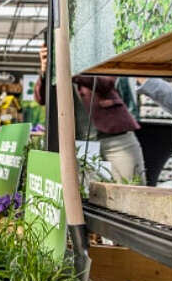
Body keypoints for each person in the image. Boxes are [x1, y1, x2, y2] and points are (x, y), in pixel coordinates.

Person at [36, 46, 145, 184]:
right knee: (90, 193)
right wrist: (45, 71)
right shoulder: (55, 67)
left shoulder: (95, 50)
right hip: (81, 143)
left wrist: (68, 68)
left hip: (115, 137)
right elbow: (41, 97)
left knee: (132, 184)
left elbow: (106, 82)